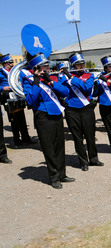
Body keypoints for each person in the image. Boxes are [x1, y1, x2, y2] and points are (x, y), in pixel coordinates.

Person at [23, 53, 74, 189]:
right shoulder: (29, 81)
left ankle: (62, 174)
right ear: (37, 68)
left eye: (47, 65)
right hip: (43, 116)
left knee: (59, 145)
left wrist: (50, 81)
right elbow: (30, 100)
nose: (47, 68)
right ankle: (54, 177)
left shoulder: (50, 78)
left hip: (56, 113)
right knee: (49, 147)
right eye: (44, 66)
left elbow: (65, 92)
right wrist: (36, 82)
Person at [61, 52, 104, 171]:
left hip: (86, 108)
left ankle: (94, 159)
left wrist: (71, 78)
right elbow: (62, 91)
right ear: (73, 65)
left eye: (82, 63)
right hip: (71, 110)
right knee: (77, 137)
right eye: (78, 64)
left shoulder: (89, 75)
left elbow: (86, 88)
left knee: (90, 135)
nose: (82, 66)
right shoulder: (63, 77)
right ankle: (83, 161)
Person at [0, 54, 34, 148]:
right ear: (5, 64)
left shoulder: (14, 72)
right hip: (8, 97)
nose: (12, 64)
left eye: (12, 62)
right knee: (13, 119)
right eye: (10, 63)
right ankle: (16, 140)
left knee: (22, 118)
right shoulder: (1, 72)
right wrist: (3, 88)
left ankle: (26, 138)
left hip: (17, 96)